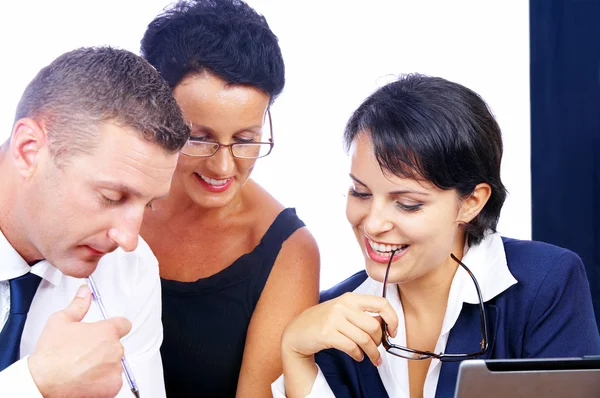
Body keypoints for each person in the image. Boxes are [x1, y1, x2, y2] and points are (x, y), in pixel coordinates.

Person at [272, 74, 600, 398]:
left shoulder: (545, 285)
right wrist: (296, 357)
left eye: (407, 204)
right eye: (361, 193)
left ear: (471, 202)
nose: (373, 224)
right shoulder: (333, 319)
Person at [139, 0, 320, 396]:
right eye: (199, 137)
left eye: (245, 140)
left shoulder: (287, 251)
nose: (223, 168)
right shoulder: (105, 200)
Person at [0, 46, 189, 397]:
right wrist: (36, 384)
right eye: (111, 197)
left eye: (147, 205)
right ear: (29, 150)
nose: (129, 239)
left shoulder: (131, 266)